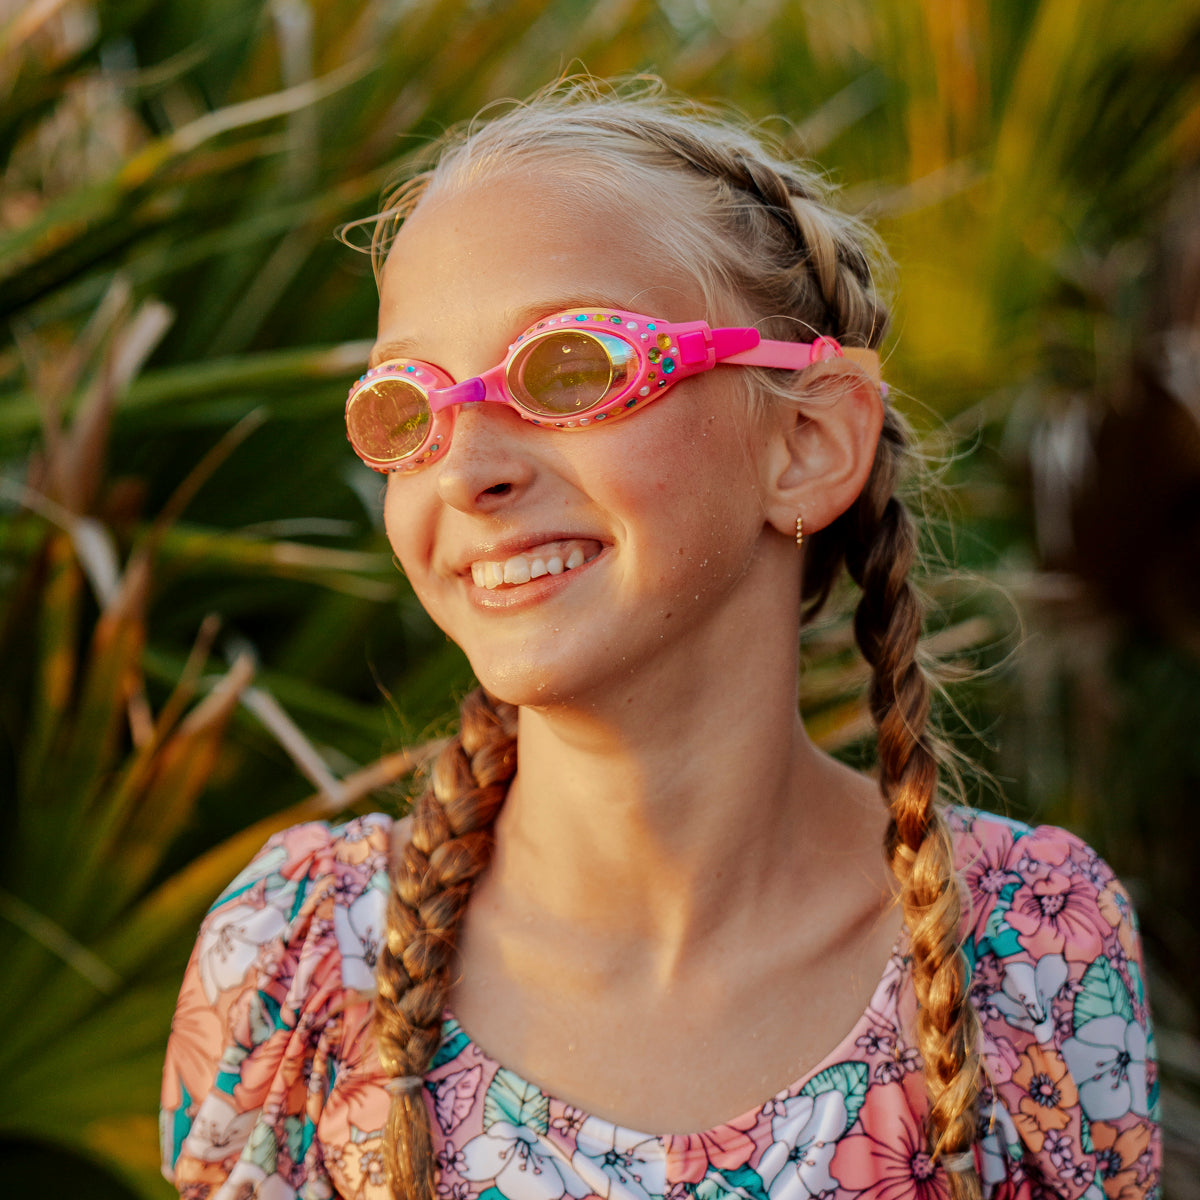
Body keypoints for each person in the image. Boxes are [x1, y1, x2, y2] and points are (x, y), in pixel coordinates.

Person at [160, 79, 1161, 1200]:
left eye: (571, 368)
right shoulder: (295, 965)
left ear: (809, 444)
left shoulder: (1032, 948)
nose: (465, 467)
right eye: (410, 406)